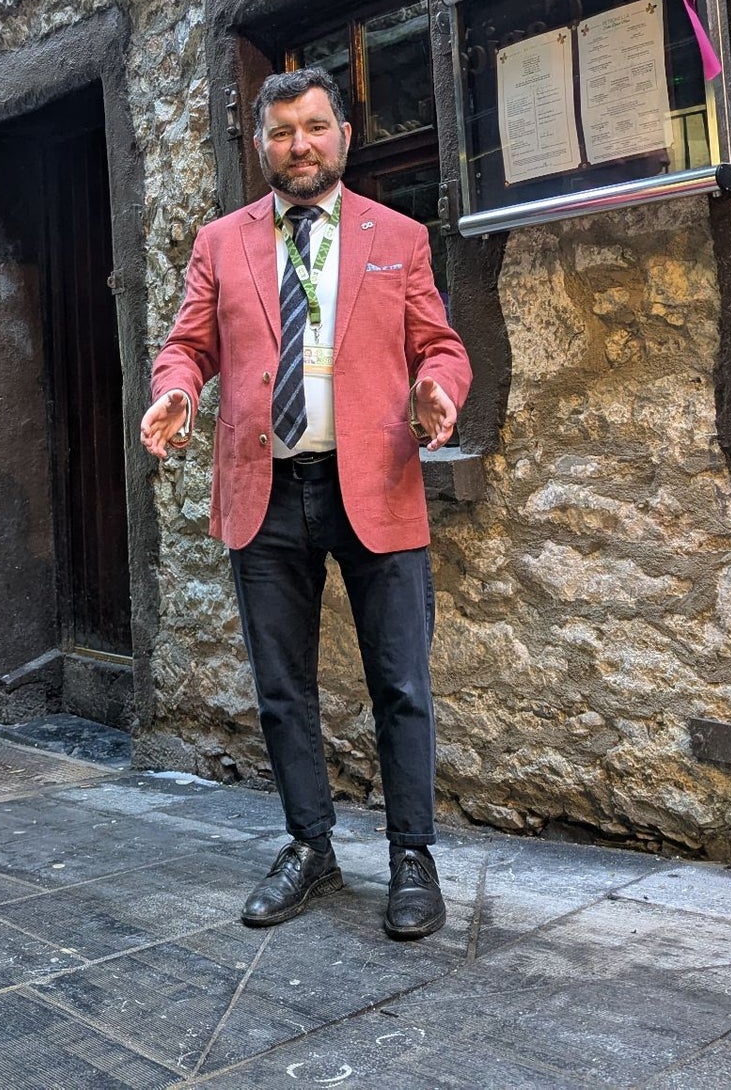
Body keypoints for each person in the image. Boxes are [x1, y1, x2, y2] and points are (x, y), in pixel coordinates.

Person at [141, 67, 471, 941]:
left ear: (343, 137)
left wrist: (437, 390)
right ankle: (309, 845)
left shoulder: (395, 234)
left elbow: (439, 345)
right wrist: (176, 392)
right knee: (282, 688)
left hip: (377, 482)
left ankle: (413, 857)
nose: (301, 145)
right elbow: (187, 345)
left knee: (400, 684)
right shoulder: (221, 241)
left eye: (316, 127)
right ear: (261, 146)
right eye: (283, 131)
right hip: (266, 489)